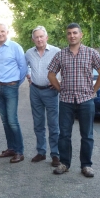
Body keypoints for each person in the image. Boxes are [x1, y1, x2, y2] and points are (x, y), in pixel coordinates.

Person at [48, 23, 100, 177]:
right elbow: (51, 75)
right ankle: (64, 163)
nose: (72, 36)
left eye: (75, 33)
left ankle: (86, 165)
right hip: (66, 100)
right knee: (64, 135)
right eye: (69, 33)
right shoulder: (61, 55)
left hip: (86, 100)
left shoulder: (91, 53)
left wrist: (94, 90)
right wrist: (60, 89)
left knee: (87, 135)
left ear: (81, 35)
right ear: (67, 36)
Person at [0, 23, 28, 163]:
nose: (0, 34)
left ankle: (19, 151)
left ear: (7, 32)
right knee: (5, 120)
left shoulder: (15, 47)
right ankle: (11, 148)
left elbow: (23, 68)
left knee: (12, 120)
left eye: (2, 31)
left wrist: (16, 83)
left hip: (11, 87)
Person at [25, 26, 61, 167]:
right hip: (35, 91)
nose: (39, 39)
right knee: (38, 123)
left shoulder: (56, 52)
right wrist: (28, 75)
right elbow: (25, 66)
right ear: (33, 39)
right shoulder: (29, 53)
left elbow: (65, 68)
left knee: (53, 124)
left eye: (41, 36)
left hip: (51, 91)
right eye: (36, 37)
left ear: (46, 37)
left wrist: (60, 82)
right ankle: (41, 151)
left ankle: (55, 154)